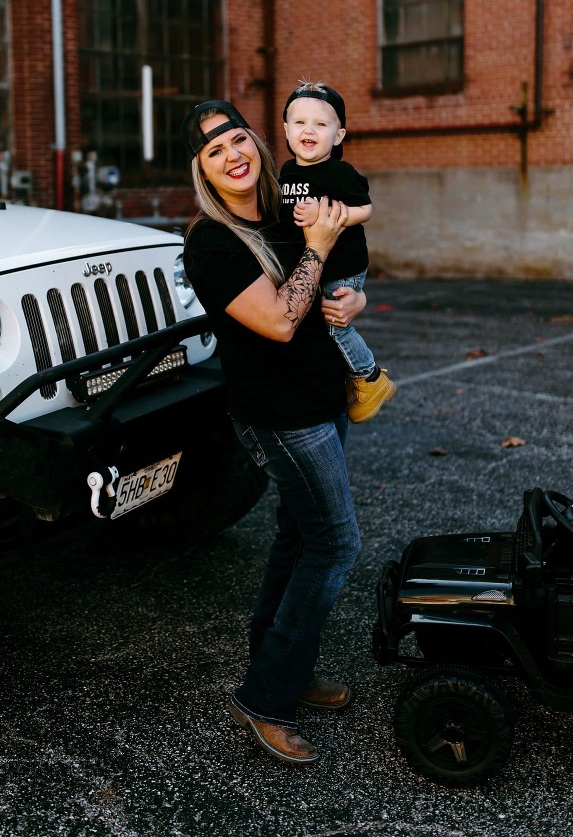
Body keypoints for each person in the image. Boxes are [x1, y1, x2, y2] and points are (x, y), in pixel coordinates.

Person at [180, 99, 366, 766]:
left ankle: (285, 665)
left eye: (237, 138)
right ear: (202, 170)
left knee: (299, 537)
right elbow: (282, 318)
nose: (233, 153)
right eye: (213, 151)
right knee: (337, 543)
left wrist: (353, 299)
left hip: (321, 396)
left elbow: (324, 293)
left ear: (255, 141)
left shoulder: (281, 212)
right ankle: (266, 695)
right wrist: (315, 250)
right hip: (284, 416)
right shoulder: (211, 241)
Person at [280, 80, 396, 423]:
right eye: (299, 122)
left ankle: (370, 377)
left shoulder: (339, 173)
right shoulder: (286, 171)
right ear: (286, 131)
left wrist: (327, 214)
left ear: (339, 135)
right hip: (315, 265)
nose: (309, 130)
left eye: (320, 123)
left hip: (342, 265)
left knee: (334, 324)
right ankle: (349, 375)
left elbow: (366, 210)